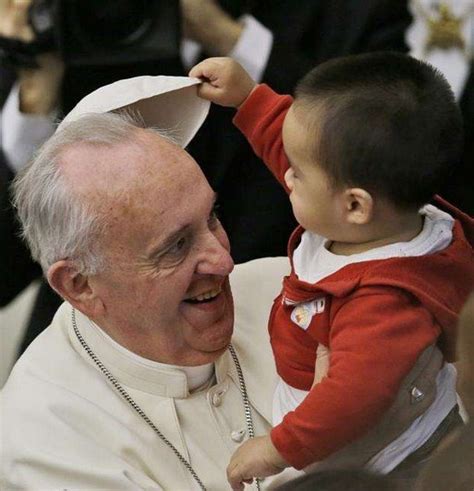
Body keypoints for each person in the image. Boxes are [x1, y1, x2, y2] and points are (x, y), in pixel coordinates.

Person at [0, 75, 445, 489]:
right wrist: (334, 467)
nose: (224, 260)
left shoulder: (292, 287)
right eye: (175, 247)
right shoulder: (42, 435)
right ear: (80, 285)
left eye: (211, 217)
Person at [0, 0, 413, 358]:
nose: (216, 254)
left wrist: (233, 41)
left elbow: (394, 168)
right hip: (102, 349)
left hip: (290, 329)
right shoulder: (66, 19)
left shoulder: (353, 13)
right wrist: (35, 97)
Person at [189, 54, 474, 489]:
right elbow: (302, 146)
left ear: (356, 205)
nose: (285, 174)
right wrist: (248, 97)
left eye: (297, 175)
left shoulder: (385, 302)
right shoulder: (377, 211)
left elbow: (350, 401)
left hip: (383, 452)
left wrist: (275, 449)